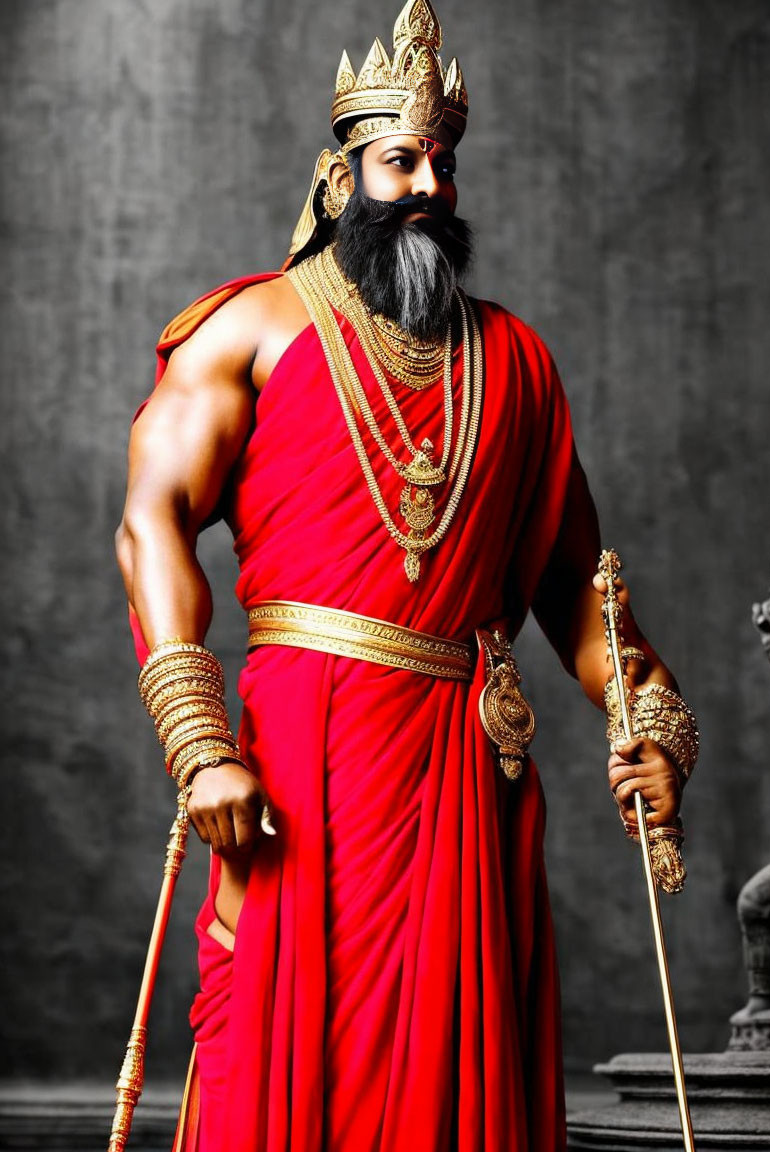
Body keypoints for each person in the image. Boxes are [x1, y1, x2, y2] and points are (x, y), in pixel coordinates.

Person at [116, 3, 696, 1149]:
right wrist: (197, 744)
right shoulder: (249, 330)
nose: (427, 181)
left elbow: (580, 587)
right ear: (344, 176)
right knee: (274, 1062)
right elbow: (151, 524)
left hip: (465, 772)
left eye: (442, 160)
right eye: (399, 159)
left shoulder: (517, 363)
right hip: (298, 768)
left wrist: (649, 720)